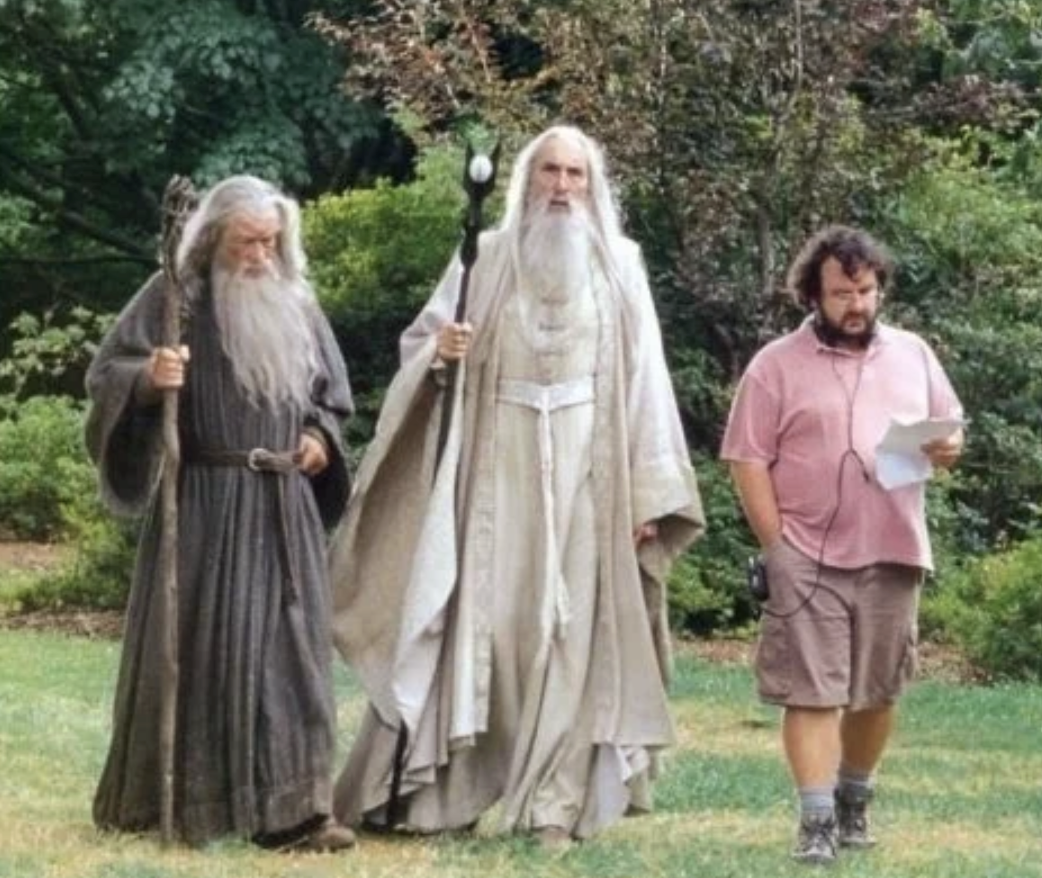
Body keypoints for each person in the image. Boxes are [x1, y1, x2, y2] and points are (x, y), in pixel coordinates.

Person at [329, 126, 704, 848]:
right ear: (526, 180)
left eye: (575, 174)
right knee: (487, 627)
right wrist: (443, 355)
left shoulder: (622, 265)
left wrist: (648, 497)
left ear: (593, 186)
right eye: (549, 172)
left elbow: (648, 381)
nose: (562, 187)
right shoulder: (488, 256)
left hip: (589, 478)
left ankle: (554, 806)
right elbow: (426, 345)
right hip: (495, 471)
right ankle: (449, 794)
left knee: (567, 638)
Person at [86, 175, 356, 851]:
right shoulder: (175, 297)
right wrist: (150, 378)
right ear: (213, 241)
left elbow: (330, 399)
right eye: (246, 242)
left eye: (271, 241)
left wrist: (320, 440)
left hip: (281, 505)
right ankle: (178, 800)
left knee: (291, 654)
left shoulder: (299, 304)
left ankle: (296, 813)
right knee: (199, 649)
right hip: (203, 502)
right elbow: (106, 372)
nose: (261, 255)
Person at [720, 225, 964, 865]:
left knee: (877, 690)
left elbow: (951, 438)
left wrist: (948, 449)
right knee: (812, 690)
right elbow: (746, 460)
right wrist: (778, 548)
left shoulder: (914, 354)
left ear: (879, 287)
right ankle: (817, 821)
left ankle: (855, 799)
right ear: (813, 296)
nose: (856, 304)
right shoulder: (774, 366)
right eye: (841, 294)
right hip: (806, 552)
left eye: (865, 290)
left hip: (893, 547)